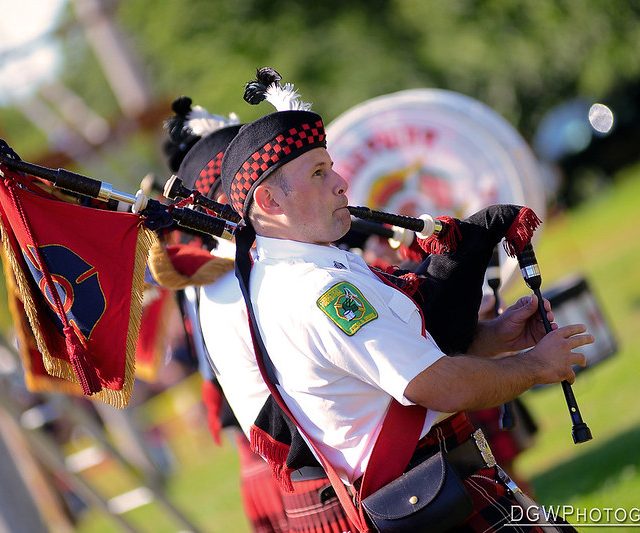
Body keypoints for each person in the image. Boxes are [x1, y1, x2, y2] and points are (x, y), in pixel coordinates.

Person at [219, 67, 594, 531]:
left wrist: (495, 338)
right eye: (319, 172)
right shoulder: (317, 289)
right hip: (433, 500)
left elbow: (396, 377)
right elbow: (434, 386)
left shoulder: (316, 268)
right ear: (272, 202)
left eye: (331, 165)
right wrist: (536, 366)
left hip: (444, 485)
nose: (340, 182)